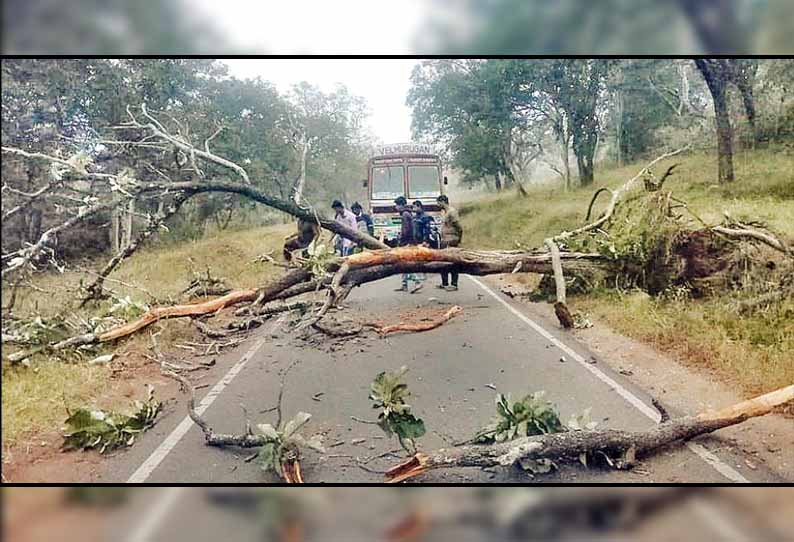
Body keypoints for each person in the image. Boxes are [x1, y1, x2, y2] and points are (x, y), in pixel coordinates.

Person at [394, 196, 423, 293]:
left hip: (407, 242)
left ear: (402, 205)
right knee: (404, 263)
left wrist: (402, 241)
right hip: (410, 241)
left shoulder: (405, 214)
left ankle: (417, 281)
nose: (396, 207)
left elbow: (406, 230)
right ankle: (404, 285)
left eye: (397, 205)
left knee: (406, 264)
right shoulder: (407, 213)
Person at [436, 194, 463, 291]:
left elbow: (458, 227)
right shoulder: (444, 212)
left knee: (452, 262)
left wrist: (458, 238)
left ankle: (454, 284)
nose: (438, 204)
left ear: (443, 201)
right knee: (443, 262)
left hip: (451, 240)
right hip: (444, 240)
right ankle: (444, 283)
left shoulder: (452, 212)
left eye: (439, 202)